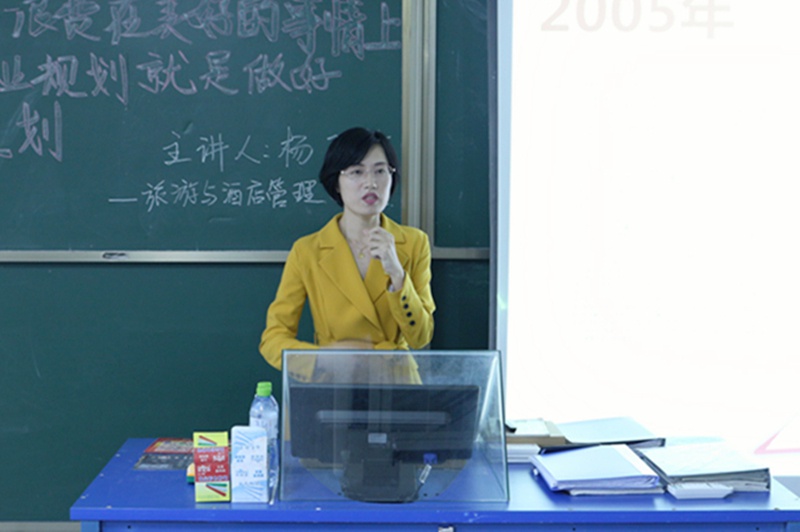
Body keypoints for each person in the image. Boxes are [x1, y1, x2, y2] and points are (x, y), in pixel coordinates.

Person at [259, 127, 435, 383]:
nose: (370, 182)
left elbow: (421, 337)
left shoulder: (414, 243)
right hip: (334, 382)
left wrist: (397, 274)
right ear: (336, 183)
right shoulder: (308, 251)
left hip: (396, 383)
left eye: (380, 171)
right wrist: (321, 359)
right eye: (356, 172)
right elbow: (273, 339)